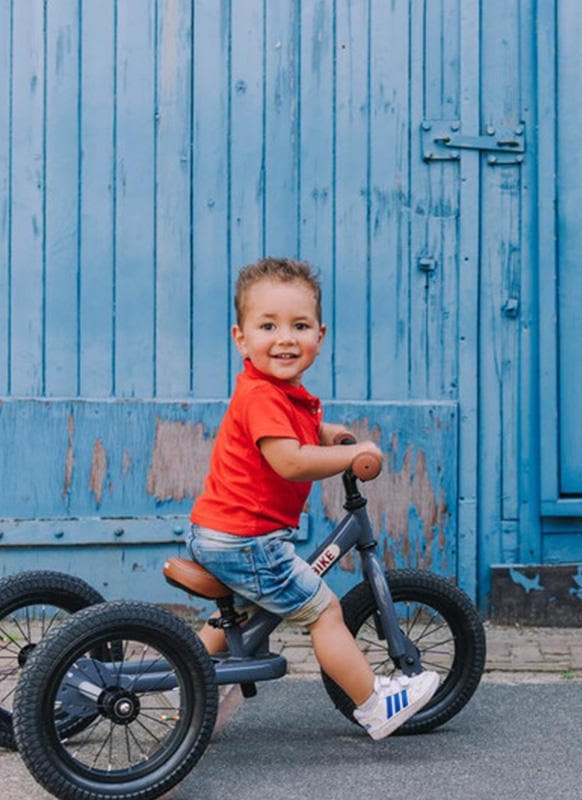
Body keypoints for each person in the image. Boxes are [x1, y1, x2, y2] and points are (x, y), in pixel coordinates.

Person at [188, 257, 439, 740]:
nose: (285, 338)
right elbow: (290, 461)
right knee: (324, 611)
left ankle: (188, 682)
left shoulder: (278, 392)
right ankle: (375, 703)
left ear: (319, 336)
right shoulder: (264, 396)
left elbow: (292, 434)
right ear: (240, 337)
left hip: (224, 532)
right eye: (268, 326)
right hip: (247, 539)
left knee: (237, 614)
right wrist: (350, 457)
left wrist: (324, 431)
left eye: (299, 326)